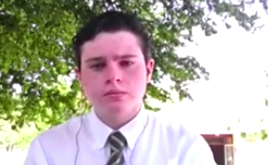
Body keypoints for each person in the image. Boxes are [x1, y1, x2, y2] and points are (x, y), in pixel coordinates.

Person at [24, 11, 216, 165]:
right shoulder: (47, 151)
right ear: (80, 77)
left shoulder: (186, 149)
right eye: (97, 66)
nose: (113, 77)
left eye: (126, 63)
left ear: (149, 71)